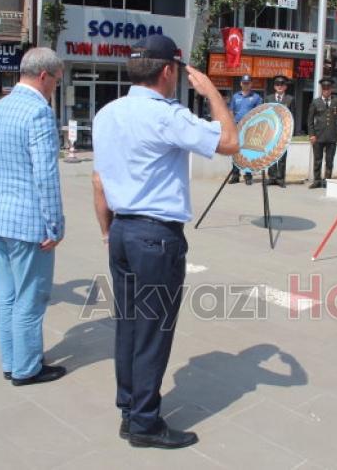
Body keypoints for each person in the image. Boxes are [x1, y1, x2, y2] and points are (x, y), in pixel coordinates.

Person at [92, 34, 239, 449]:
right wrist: (211, 91)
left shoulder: (107, 113)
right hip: (155, 236)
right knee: (154, 330)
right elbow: (229, 141)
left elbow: (98, 180)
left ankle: (129, 408)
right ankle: (144, 423)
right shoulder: (167, 115)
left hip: (121, 230)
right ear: (169, 71)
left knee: (129, 326)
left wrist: (107, 230)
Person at [0, 47, 66, 386]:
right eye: (56, 81)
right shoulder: (38, 113)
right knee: (30, 297)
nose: (55, 88)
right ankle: (27, 368)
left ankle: (10, 361)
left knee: (7, 296)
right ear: (43, 76)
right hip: (30, 224)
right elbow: (46, 176)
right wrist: (55, 225)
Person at [307, 78, 337, 189]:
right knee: (317, 160)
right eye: (324, 89)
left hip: (332, 136)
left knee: (330, 160)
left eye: (328, 89)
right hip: (318, 136)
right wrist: (311, 135)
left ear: (331, 89)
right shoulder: (315, 102)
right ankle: (317, 180)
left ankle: (327, 180)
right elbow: (310, 120)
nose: (326, 91)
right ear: (322, 89)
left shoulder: (336, 102)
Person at [228, 74, 262, 185]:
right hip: (237, 127)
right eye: (244, 83)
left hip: (250, 128)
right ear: (241, 83)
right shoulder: (235, 96)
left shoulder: (256, 97)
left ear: (251, 84)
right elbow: (231, 111)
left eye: (248, 83)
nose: (245, 85)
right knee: (235, 151)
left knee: (248, 152)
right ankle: (235, 175)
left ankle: (248, 175)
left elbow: (259, 112)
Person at [265, 74, 294, 188]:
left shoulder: (290, 99)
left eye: (282, 84)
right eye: (277, 84)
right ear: (274, 86)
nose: (279, 86)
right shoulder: (268, 98)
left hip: (284, 132)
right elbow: (265, 115)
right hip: (272, 131)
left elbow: (292, 116)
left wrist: (290, 132)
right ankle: (272, 177)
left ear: (285, 87)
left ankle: (280, 178)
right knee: (271, 154)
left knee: (282, 156)